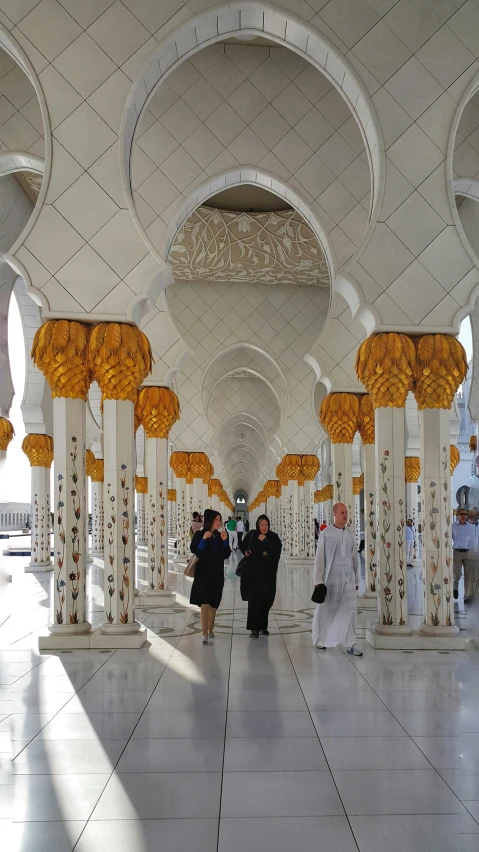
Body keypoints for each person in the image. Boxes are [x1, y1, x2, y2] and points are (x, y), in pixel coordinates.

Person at [312, 502, 362, 656]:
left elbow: (355, 558)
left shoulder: (349, 534)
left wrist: (357, 580)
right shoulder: (326, 534)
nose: (345, 515)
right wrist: (318, 580)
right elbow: (320, 557)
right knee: (327, 609)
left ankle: (351, 643)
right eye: (342, 512)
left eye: (346, 512)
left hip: (347, 578)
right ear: (334, 514)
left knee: (350, 609)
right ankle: (320, 639)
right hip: (330, 579)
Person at [190, 509, 231, 643]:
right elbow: (196, 551)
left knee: (213, 602)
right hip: (203, 573)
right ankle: (204, 634)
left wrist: (225, 541)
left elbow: (226, 554)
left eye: (219, 520)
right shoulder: (200, 534)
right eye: (217, 519)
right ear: (210, 520)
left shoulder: (220, 535)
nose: (219, 522)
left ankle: (210, 629)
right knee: (204, 602)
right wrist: (203, 539)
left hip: (217, 573)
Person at [239, 514, 282, 638]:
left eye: (266, 525)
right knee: (255, 600)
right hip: (254, 574)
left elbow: (276, 550)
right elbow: (242, 546)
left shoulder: (273, 537)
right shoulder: (252, 534)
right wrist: (246, 552)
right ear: (258, 525)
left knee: (266, 600)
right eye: (262, 525)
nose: (264, 527)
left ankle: (263, 626)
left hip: (268, 574)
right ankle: (254, 628)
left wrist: (265, 541)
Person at [452, 508, 475, 602]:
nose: (463, 516)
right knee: (457, 574)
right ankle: (455, 587)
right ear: (457, 515)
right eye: (461, 514)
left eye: (465, 514)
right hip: (457, 553)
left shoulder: (471, 527)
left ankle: (467, 596)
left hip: (468, 552)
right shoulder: (452, 527)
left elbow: (473, 540)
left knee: (468, 576)